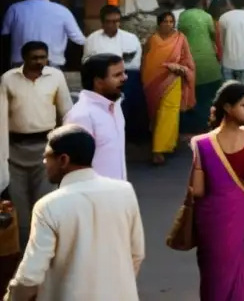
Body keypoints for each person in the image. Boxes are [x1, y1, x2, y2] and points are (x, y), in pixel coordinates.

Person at [5, 126, 144, 301]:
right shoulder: (124, 191)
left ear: (63, 160)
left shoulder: (48, 206)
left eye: (47, 157)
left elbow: (30, 276)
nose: (44, 163)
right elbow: (137, 253)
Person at [191, 81, 244, 300]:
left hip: (210, 218)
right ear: (228, 108)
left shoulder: (201, 143)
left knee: (214, 271)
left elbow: (198, 190)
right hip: (241, 213)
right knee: (239, 268)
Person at [0, 42, 73, 247]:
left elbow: (67, 112)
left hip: (46, 149)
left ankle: (46, 254)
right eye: (35, 57)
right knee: (20, 208)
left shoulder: (55, 77)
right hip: (15, 151)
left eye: (43, 57)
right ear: (24, 58)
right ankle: (23, 257)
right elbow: (1, 119)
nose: (40, 61)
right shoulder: (8, 79)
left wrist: (67, 148)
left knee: (45, 204)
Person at [142, 11, 196, 165]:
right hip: (153, 82)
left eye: (171, 21)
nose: (168, 24)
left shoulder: (180, 38)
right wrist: (165, 66)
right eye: (165, 21)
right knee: (157, 115)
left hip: (173, 80)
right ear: (159, 23)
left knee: (169, 113)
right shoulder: (152, 40)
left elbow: (188, 60)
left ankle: (159, 150)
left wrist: (180, 68)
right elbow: (146, 62)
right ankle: (165, 145)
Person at [84, 5, 145, 140]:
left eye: (116, 21)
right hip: (102, 80)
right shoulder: (92, 39)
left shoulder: (130, 38)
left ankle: (128, 139)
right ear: (102, 22)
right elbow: (86, 62)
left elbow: (135, 64)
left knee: (127, 110)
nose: (113, 24)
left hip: (126, 79)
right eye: (109, 21)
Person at [63, 54, 127, 180]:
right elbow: (75, 168)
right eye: (117, 75)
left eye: (124, 72)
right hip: (94, 196)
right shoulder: (81, 115)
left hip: (118, 191)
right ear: (98, 82)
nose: (125, 77)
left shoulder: (115, 106)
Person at [1, 0, 86, 71]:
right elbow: (79, 40)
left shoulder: (15, 9)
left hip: (21, 64)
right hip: (51, 65)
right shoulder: (62, 11)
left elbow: (5, 35)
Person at [176, 0, 223, 136]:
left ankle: (192, 129)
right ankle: (208, 126)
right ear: (199, 4)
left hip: (190, 61)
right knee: (209, 97)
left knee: (191, 95)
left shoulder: (182, 17)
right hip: (209, 63)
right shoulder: (206, 16)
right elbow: (214, 34)